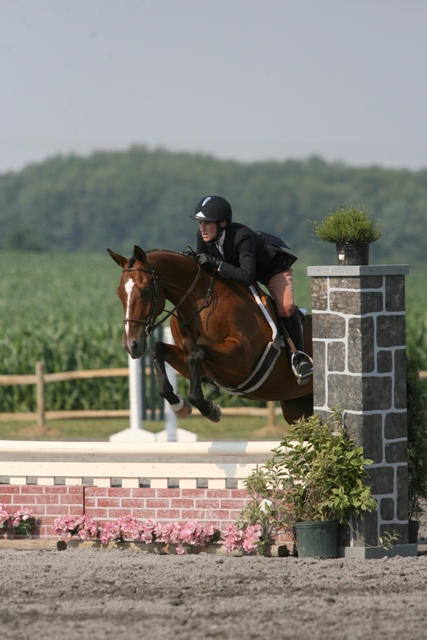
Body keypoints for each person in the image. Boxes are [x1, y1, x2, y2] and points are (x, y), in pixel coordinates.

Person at [190, 195, 313, 385]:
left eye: (207, 223)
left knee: (286, 307)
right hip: (238, 272)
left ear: (223, 223)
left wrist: (216, 262)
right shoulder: (203, 238)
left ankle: (298, 357)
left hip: (271, 269)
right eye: (200, 223)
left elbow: (247, 276)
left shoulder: (242, 235)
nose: (202, 228)